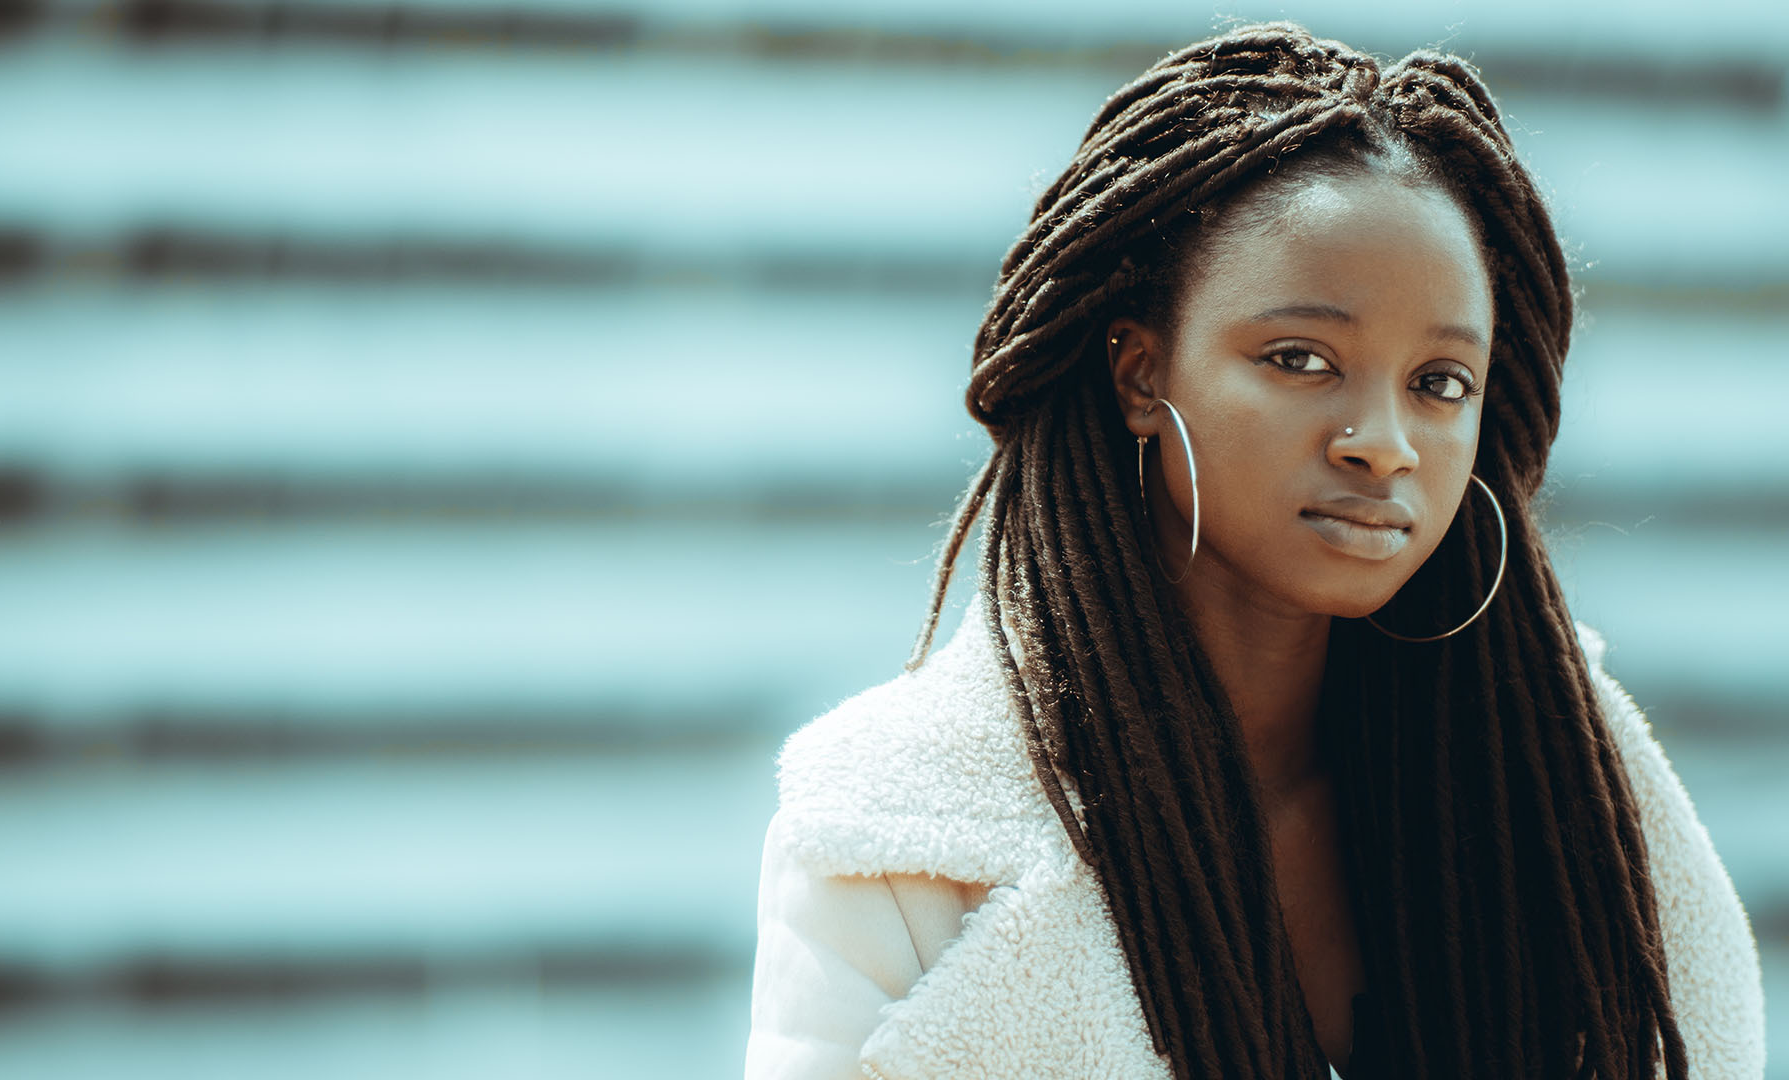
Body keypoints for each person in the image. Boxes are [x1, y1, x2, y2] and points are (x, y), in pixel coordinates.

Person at [744, 21, 1764, 1080]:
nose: (1383, 442)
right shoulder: (896, 836)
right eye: (1301, 358)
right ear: (1143, 376)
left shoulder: (1570, 777)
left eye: (1439, 382)